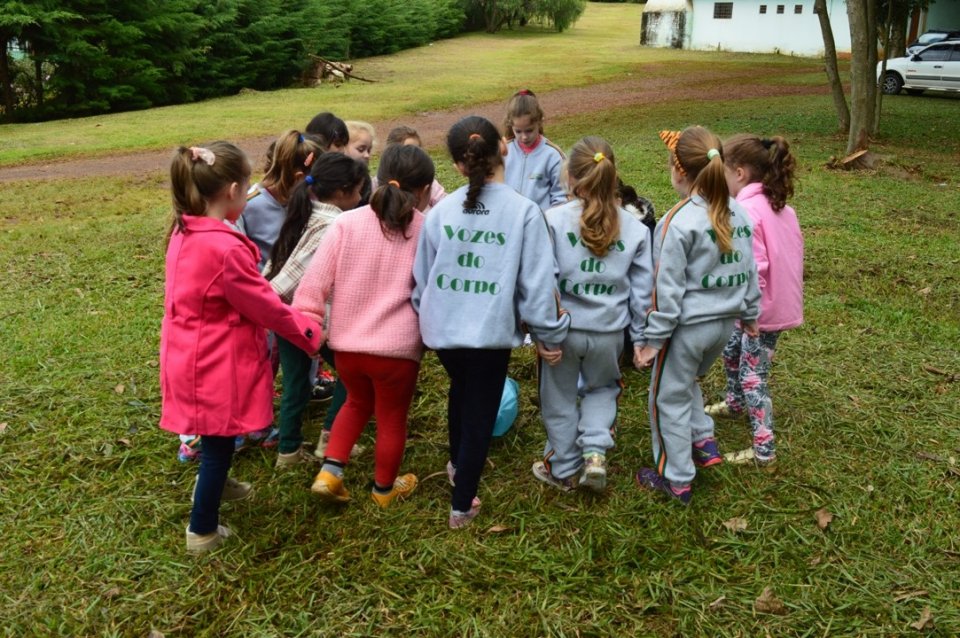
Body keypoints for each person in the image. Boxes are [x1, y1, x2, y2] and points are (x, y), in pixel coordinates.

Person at [160, 142, 321, 552]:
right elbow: (266, 306)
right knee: (216, 442)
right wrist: (308, 331)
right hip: (214, 360)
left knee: (216, 436)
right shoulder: (225, 248)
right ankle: (203, 531)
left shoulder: (184, 230)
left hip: (188, 354)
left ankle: (216, 484)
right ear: (232, 190)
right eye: (247, 187)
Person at [412, 115, 571, 529]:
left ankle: (455, 463)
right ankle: (461, 504)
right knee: (480, 412)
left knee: (461, 392)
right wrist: (547, 333)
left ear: (459, 166)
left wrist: (425, 314)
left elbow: (422, 279)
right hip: (488, 334)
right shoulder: (524, 212)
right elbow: (537, 284)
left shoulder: (440, 212)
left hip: (444, 333)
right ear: (504, 146)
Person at [294, 144, 435, 507]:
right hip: (397, 351)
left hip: (347, 349)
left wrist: (310, 328)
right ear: (423, 191)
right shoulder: (428, 229)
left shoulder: (346, 223)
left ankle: (330, 473)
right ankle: (384, 490)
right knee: (391, 418)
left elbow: (313, 284)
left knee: (355, 403)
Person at [633, 127, 761, 505]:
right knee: (686, 381)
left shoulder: (678, 221)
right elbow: (749, 269)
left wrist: (653, 341)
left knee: (665, 399)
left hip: (686, 331)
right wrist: (751, 313)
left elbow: (666, 290)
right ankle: (704, 441)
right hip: (722, 330)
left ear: (678, 170)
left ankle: (677, 479)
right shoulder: (738, 211)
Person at [534, 137, 653, 493]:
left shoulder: (551, 220)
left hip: (564, 332)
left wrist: (543, 332)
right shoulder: (634, 228)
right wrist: (642, 338)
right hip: (609, 334)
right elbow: (643, 290)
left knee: (558, 397)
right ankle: (596, 453)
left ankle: (564, 467)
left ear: (570, 175)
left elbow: (542, 282)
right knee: (602, 389)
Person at [263, 153, 368, 468]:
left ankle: (289, 452)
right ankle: (331, 438)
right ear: (341, 191)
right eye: (359, 190)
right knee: (354, 376)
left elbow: (278, 265)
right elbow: (299, 274)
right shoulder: (335, 223)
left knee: (295, 384)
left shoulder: (303, 212)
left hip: (285, 318)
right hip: (310, 318)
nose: (362, 197)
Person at [704, 134, 804, 465]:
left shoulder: (745, 210)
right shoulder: (780, 207)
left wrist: (749, 313)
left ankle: (764, 449)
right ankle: (735, 403)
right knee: (731, 349)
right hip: (774, 304)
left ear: (741, 173)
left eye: (724, 175)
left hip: (759, 312)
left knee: (753, 376)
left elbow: (754, 268)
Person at [502, 89, 566, 211]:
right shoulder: (504, 152)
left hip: (540, 225)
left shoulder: (552, 155)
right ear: (511, 126)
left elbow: (561, 197)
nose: (524, 137)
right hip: (509, 224)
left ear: (539, 122)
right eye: (518, 131)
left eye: (529, 130)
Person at [378, 125, 447, 210]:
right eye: (407, 151)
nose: (413, 155)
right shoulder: (378, 182)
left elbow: (446, 204)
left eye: (417, 150)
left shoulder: (427, 182)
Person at [344, 120, 376, 206]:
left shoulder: (366, 179)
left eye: (369, 150)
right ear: (343, 147)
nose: (367, 155)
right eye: (361, 149)